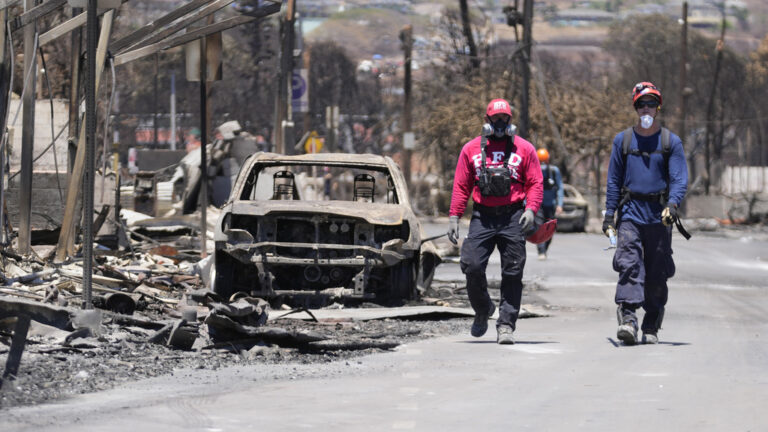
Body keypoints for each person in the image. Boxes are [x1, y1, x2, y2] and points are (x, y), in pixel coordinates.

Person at [447, 98, 543, 345]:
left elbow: (535, 183)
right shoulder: (471, 150)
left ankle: (506, 325)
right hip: (483, 217)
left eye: (505, 119)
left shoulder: (525, 149)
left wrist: (531, 210)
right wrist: (454, 216)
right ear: (487, 121)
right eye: (495, 119)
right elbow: (461, 185)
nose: (500, 123)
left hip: (513, 217)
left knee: (512, 271)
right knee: (472, 265)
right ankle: (483, 309)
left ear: (511, 121)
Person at [602, 82, 688, 345]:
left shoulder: (670, 142)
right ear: (635, 108)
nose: (646, 108)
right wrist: (609, 216)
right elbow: (614, 181)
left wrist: (672, 206)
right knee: (629, 264)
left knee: (656, 271)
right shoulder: (623, 141)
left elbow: (679, 179)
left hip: (659, 216)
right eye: (641, 104)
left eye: (651, 103)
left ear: (658, 107)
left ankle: (651, 323)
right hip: (630, 214)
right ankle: (628, 320)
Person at [535, 148, 563, 260]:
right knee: (539, 227)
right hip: (538, 205)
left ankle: (545, 248)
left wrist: (560, 204)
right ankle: (541, 250)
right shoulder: (534, 169)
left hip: (550, 205)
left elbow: (560, 187)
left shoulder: (554, 171)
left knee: (550, 228)